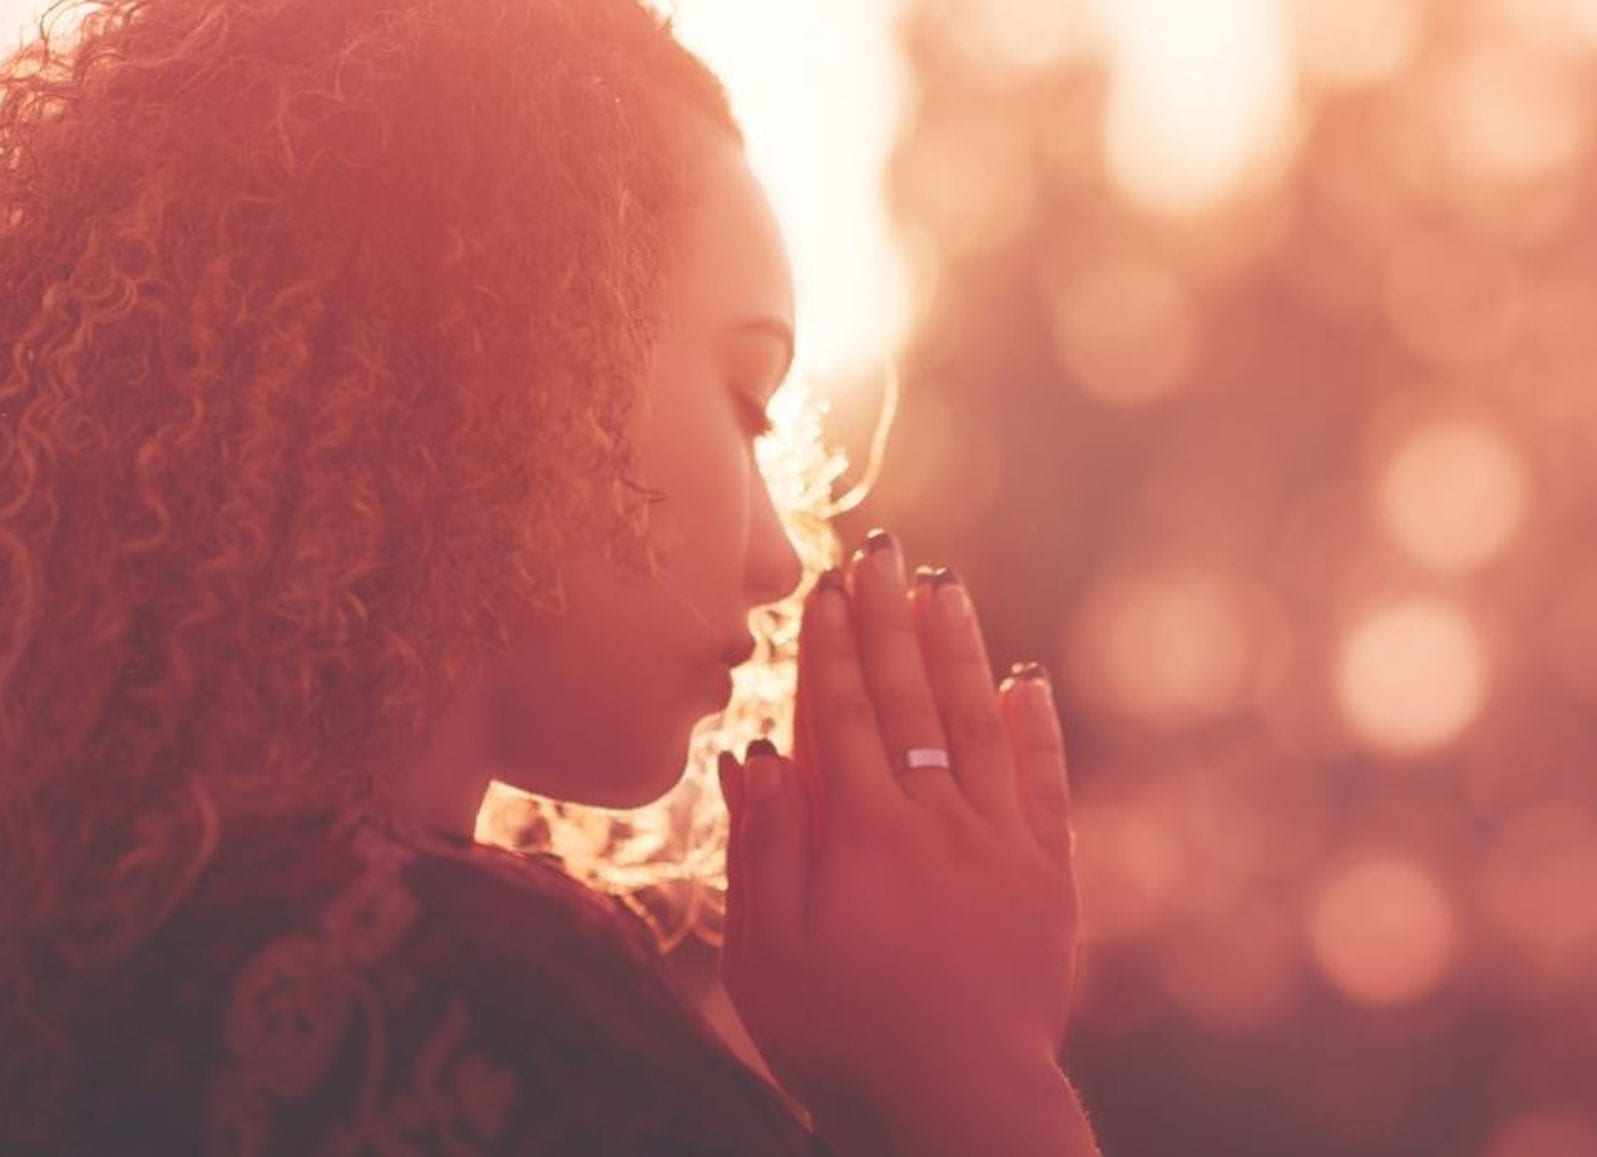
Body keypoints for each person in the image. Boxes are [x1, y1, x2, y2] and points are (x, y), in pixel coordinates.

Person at [0, 0, 1102, 1153]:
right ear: (504, 354)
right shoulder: (463, 999)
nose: (781, 561)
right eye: (744, 397)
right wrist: (980, 1075)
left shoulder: (94, 932)